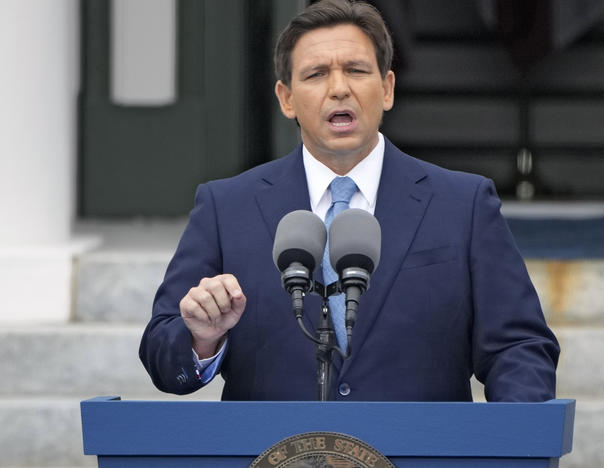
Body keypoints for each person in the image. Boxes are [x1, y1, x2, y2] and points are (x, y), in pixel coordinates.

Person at [139, 0, 559, 402]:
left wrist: (513, 440)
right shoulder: (226, 207)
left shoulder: (463, 204)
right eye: (317, 74)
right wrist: (201, 338)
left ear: (387, 88)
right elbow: (162, 353)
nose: (339, 89)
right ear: (286, 99)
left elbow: (519, 346)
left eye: (356, 70)